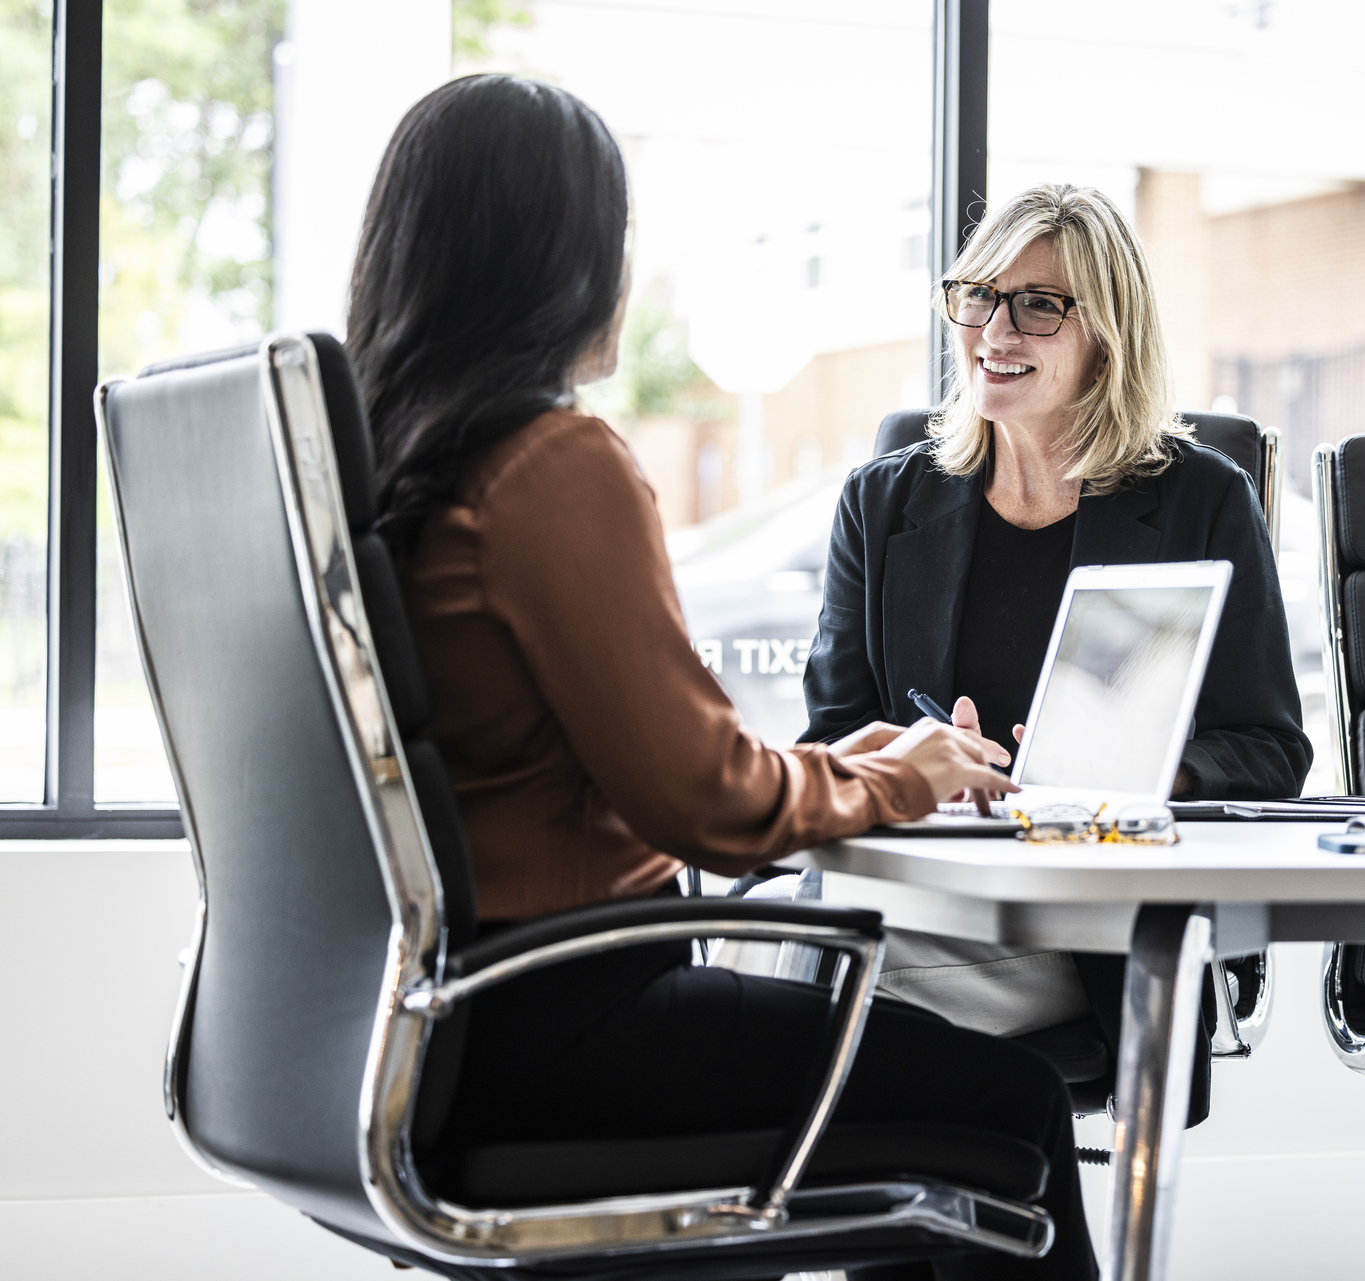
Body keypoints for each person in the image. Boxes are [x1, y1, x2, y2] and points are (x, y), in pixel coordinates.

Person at [350, 74, 1096, 1281]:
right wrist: (894, 786)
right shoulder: (552, 462)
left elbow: (635, 769)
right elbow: (711, 809)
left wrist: (853, 765)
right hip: (570, 1027)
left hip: (416, 1034)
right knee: (1003, 1102)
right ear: (565, 259)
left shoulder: (392, 469)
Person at [798, 183, 1312, 1044]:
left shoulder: (1201, 501)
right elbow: (833, 737)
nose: (995, 334)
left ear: (1106, 336)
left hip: (1097, 928)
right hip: (925, 891)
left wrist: (1133, 772)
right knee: (781, 950)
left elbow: (1269, 748)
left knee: (823, 987)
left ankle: (947, 1176)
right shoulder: (883, 504)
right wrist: (920, 771)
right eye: (979, 298)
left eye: (1039, 307)